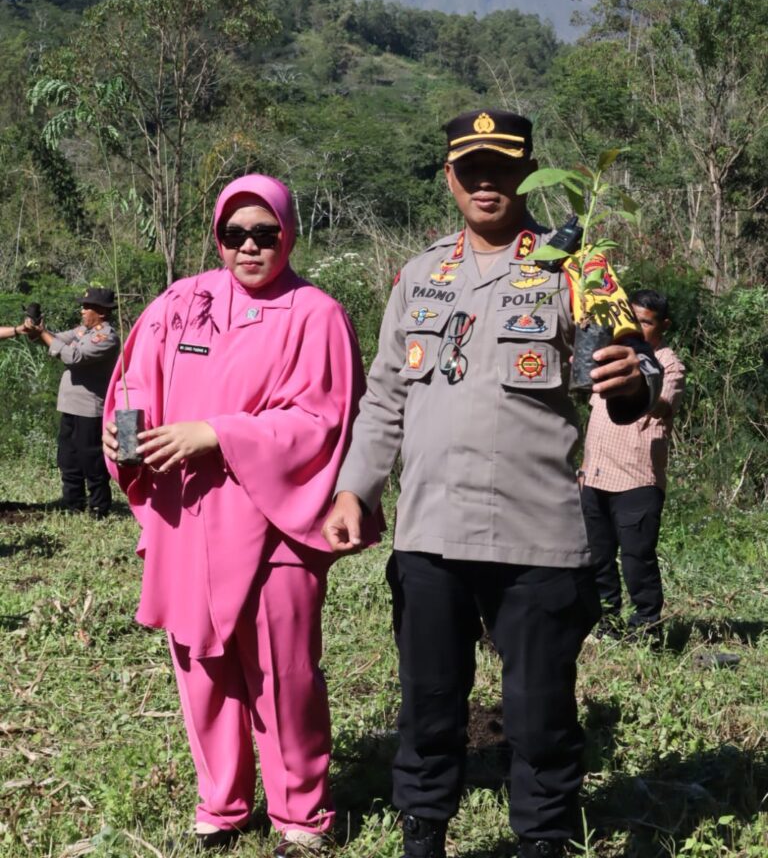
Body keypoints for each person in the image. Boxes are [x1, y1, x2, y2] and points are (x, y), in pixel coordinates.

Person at [322, 110, 663, 858]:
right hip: (430, 535)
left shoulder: (577, 265)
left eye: (502, 167)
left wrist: (629, 382)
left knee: (540, 715)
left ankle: (541, 839)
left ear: (528, 172)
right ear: (449, 177)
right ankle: (423, 835)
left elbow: (634, 375)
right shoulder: (420, 275)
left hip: (538, 537)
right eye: (470, 168)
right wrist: (356, 489)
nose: (486, 181)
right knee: (429, 707)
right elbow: (384, 396)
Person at [103, 174, 376, 853]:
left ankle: (301, 816)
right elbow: (135, 381)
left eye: (266, 234)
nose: (250, 247)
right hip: (188, 515)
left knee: (283, 674)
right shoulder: (181, 302)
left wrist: (220, 433)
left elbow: (326, 419)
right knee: (201, 665)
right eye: (235, 234)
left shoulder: (318, 315)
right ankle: (221, 804)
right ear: (218, 237)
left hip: (276, 519)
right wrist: (120, 437)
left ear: (289, 233)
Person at [580, 289, 685, 641]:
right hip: (594, 474)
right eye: (633, 319)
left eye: (646, 322)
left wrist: (639, 386)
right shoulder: (609, 354)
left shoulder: (668, 364)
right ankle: (606, 623)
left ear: (663, 326)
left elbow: (662, 404)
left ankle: (647, 630)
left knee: (638, 560)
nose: (638, 328)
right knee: (599, 558)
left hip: (637, 479)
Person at [33, 287, 120, 519]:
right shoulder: (84, 331)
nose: (82, 311)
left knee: (91, 460)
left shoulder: (106, 337)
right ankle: (72, 504)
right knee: (68, 458)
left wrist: (46, 336)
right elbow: (59, 339)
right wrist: (40, 331)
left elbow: (74, 357)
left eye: (87, 307)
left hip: (89, 410)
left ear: (101, 312)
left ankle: (99, 506)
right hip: (70, 407)